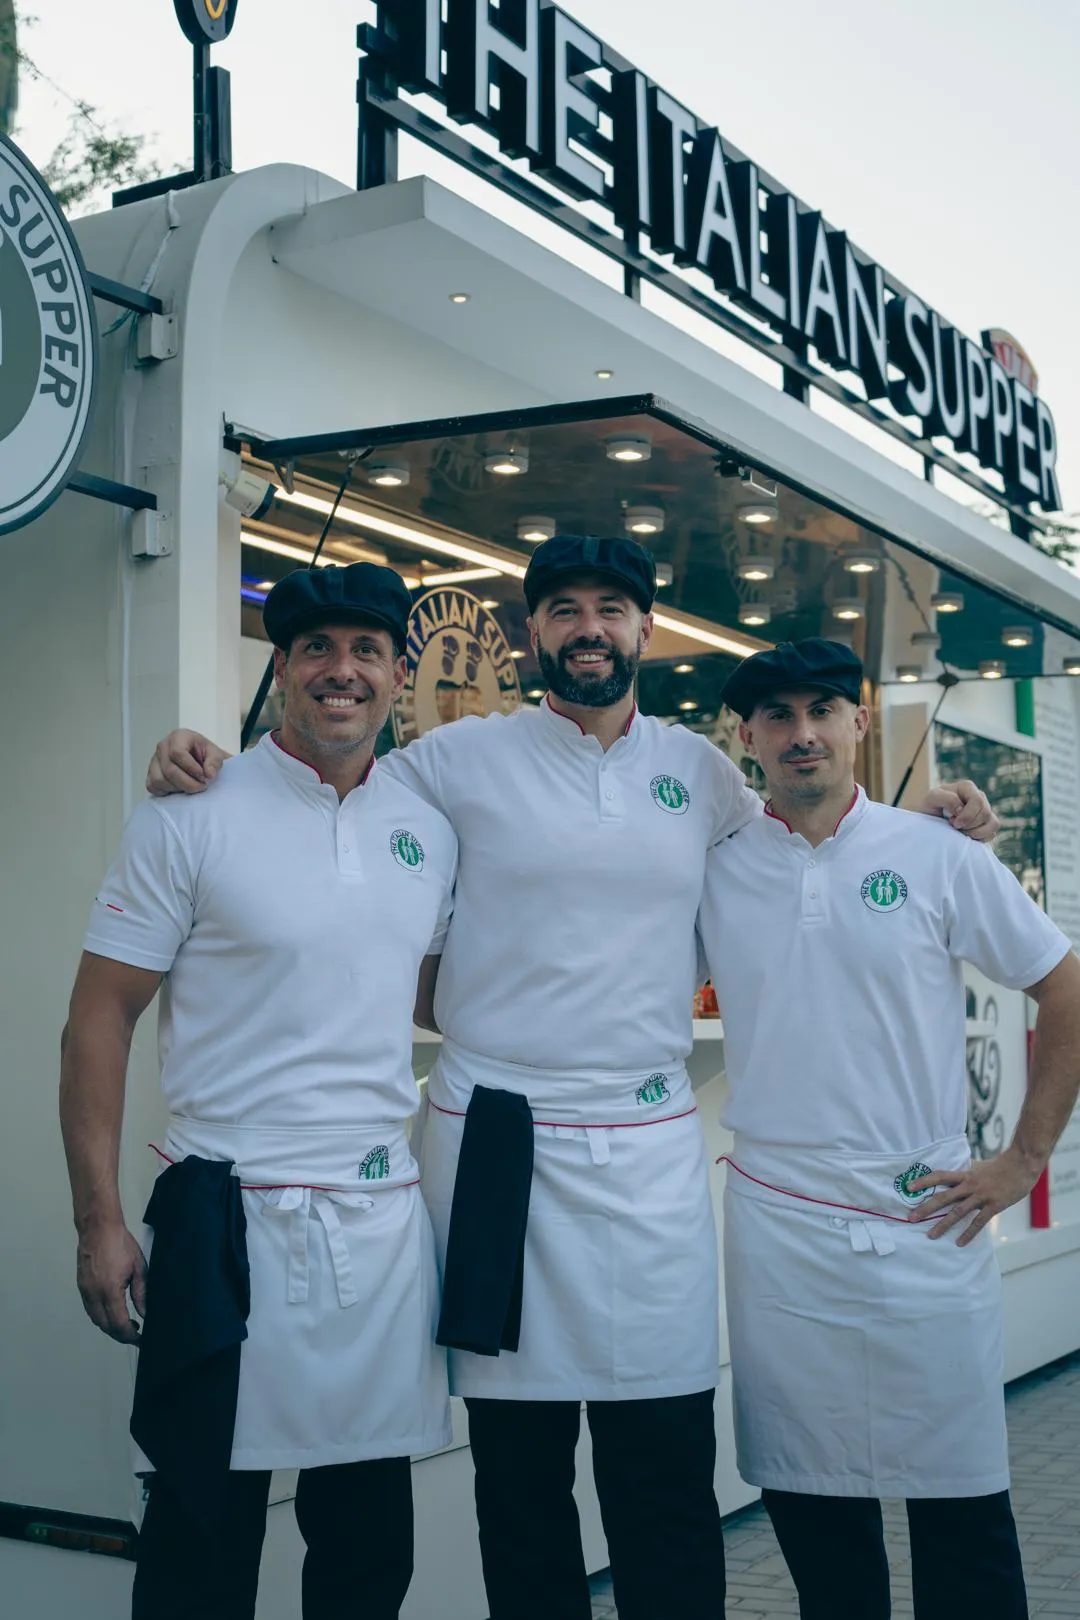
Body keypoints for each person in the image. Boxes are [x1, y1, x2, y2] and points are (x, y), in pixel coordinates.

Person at [145, 537, 996, 1620]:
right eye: (562, 609)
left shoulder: (702, 774)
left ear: (643, 630)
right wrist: (200, 758)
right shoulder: (453, 762)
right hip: (495, 1147)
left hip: (650, 1157)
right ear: (529, 634)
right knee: (520, 1476)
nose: (588, 626)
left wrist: (942, 826)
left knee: (665, 1469)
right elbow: (323, 777)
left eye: (611, 607)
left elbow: (812, 840)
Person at [60, 564, 457, 1620]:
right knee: (201, 1543)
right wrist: (99, 1223)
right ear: (281, 668)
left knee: (369, 1548)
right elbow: (98, 1019)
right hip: (222, 1219)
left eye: (366, 650)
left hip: (378, 1225)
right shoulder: (190, 814)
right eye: (316, 649)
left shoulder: (427, 828)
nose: (342, 671)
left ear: (397, 673)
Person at [698, 637, 1080, 1620]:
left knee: (961, 1507)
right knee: (812, 1502)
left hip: (929, 1218)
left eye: (822, 710)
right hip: (782, 1227)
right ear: (748, 739)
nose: (801, 733)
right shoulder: (717, 866)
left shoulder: (936, 855)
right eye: (776, 716)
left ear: (859, 722)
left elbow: (1064, 984)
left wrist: (1025, 1157)